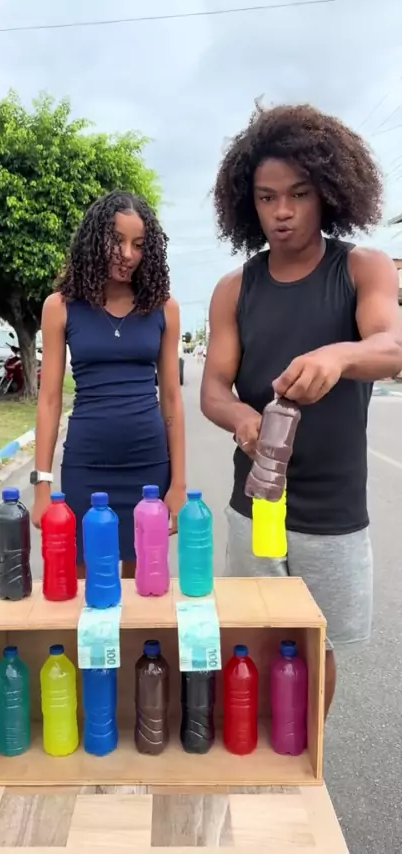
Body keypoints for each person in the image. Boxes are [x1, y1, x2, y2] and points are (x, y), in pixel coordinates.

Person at [201, 104, 402, 717]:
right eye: (267, 198)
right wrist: (242, 421)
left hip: (332, 510)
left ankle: (305, 761)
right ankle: (259, 754)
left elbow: (392, 346)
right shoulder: (235, 288)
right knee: (255, 639)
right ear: (249, 204)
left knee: (315, 646)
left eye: (298, 194)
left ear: (328, 194)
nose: (282, 212)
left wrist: (340, 355)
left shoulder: (362, 268)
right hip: (258, 503)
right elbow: (213, 389)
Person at [31, 190, 186, 578]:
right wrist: (42, 486)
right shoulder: (60, 307)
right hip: (87, 463)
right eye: (116, 240)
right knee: (84, 583)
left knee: (143, 584)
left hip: (148, 465)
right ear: (94, 238)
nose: (127, 254)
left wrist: (179, 485)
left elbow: (171, 399)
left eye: (138, 244)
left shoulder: (164, 308)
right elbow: (49, 401)